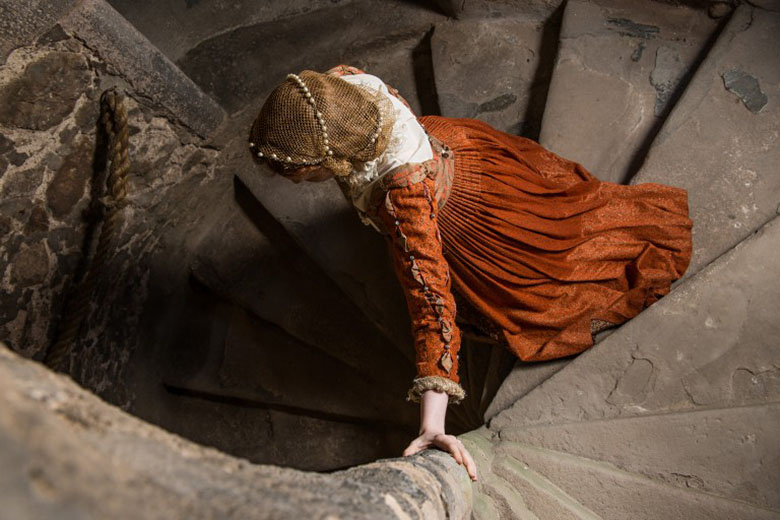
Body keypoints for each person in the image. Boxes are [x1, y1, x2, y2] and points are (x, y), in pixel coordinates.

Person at [248, 65, 693, 482]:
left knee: (541, 276)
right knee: (543, 202)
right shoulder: (344, 84)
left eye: (296, 171)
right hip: (463, 148)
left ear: (330, 161)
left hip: (464, 216)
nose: (288, 179)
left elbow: (433, 305)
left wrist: (432, 425)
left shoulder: (404, 204)